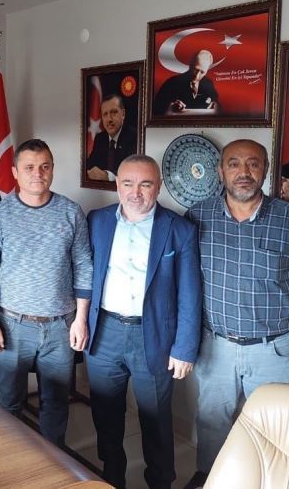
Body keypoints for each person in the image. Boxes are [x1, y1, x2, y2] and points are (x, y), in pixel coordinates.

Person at [183, 139, 289, 489]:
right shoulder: (197, 217)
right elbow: (184, 284)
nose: (243, 172)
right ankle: (210, 478)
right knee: (212, 421)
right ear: (221, 171)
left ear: (266, 171)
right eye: (234, 164)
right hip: (215, 345)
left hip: (276, 350)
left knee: (276, 428)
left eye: (253, 164)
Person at [86, 155, 201, 489]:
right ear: (117, 185)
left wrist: (184, 348)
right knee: (105, 415)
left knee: (156, 421)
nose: (135, 192)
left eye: (145, 184)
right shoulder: (97, 220)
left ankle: (160, 482)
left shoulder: (179, 230)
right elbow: (83, 276)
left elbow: (190, 294)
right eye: (128, 183)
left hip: (154, 337)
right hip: (104, 333)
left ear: (158, 186)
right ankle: (112, 478)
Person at [0, 138, 92, 449]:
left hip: (60, 326)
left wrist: (80, 319)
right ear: (15, 172)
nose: (37, 174)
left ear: (52, 169)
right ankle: (12, 462)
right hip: (13, 325)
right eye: (29, 167)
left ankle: (53, 462)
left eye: (44, 166)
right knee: (8, 402)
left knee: (56, 403)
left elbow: (83, 266)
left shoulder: (71, 213)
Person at [86, 93, 137, 181]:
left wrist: (107, 176)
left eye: (114, 112)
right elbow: (90, 166)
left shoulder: (134, 137)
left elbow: (131, 170)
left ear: (123, 114)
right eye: (105, 114)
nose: (109, 119)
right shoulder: (100, 139)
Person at [152, 50, 219, 115]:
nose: (197, 76)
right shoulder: (172, 83)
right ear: (190, 65)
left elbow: (215, 100)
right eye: (196, 69)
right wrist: (170, 107)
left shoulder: (208, 84)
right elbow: (156, 108)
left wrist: (214, 104)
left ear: (207, 71)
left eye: (202, 72)